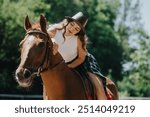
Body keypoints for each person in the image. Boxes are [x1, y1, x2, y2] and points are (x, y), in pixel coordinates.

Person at [47, 12, 107, 100]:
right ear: (67, 22)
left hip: (83, 63)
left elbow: (81, 58)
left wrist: (68, 67)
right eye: (72, 25)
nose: (73, 29)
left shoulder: (79, 39)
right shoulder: (54, 29)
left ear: (79, 31)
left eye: (77, 29)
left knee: (98, 86)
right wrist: (52, 40)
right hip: (58, 65)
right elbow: (43, 38)